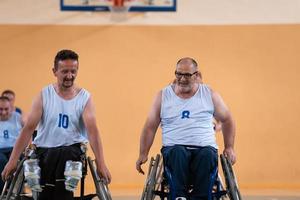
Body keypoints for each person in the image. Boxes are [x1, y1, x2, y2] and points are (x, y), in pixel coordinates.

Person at [1, 49, 111, 200]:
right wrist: (13, 160)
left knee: (66, 153)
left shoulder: (85, 98)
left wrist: (101, 163)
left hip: (72, 153)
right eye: (65, 71)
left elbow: (93, 131)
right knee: (52, 157)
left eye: (73, 71)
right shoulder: (44, 95)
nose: (69, 76)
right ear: (55, 71)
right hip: (45, 152)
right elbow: (28, 129)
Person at [136, 57, 236, 200]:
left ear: (196, 75)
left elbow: (227, 119)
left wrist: (230, 147)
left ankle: (201, 197)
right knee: (178, 152)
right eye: (178, 74)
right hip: (174, 149)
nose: (182, 79)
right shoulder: (163, 96)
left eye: (187, 75)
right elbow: (149, 127)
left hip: (204, 148)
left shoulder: (209, 94)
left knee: (207, 154)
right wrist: (143, 153)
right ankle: (179, 197)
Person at [0, 96, 23, 191]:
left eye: (6, 109)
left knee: (18, 160)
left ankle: (16, 190)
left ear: (11, 108)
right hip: (0, 149)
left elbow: (28, 132)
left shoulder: (18, 117)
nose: (3, 112)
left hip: (14, 148)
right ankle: (3, 190)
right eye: (0, 109)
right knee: (1, 161)